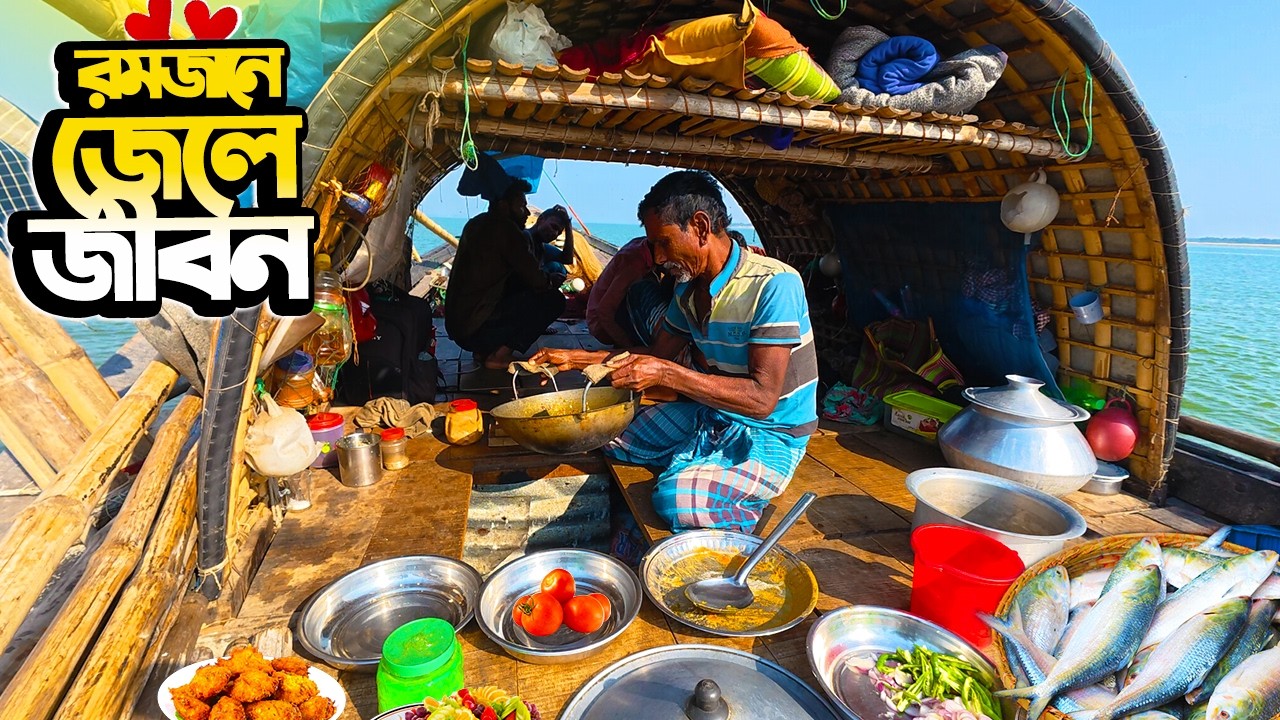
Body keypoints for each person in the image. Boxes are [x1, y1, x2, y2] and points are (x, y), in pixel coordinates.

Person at [532, 170, 818, 532]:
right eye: (653, 245)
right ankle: (700, 467)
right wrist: (573, 359)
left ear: (700, 226)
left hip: (771, 433)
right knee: (607, 433)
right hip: (712, 415)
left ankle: (719, 503)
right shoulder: (688, 292)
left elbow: (762, 400)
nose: (658, 256)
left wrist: (668, 375)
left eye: (663, 242)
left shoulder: (775, 285)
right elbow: (657, 353)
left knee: (676, 499)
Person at [445, 155, 566, 370]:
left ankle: (483, 351)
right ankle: (499, 356)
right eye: (521, 206)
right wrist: (550, 281)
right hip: (475, 328)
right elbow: (537, 281)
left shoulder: (475, 224)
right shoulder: (507, 231)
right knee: (553, 300)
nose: (527, 212)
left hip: (457, 327)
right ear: (503, 206)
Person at [585, 235, 670, 347]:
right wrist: (629, 348)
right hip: (602, 325)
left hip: (606, 314)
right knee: (644, 289)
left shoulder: (644, 243)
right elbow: (604, 311)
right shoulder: (634, 263)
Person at [528, 205, 575, 277]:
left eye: (559, 233)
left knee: (559, 268)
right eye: (553, 227)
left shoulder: (541, 247)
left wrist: (568, 225)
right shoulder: (523, 238)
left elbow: (567, 259)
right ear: (540, 219)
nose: (555, 234)